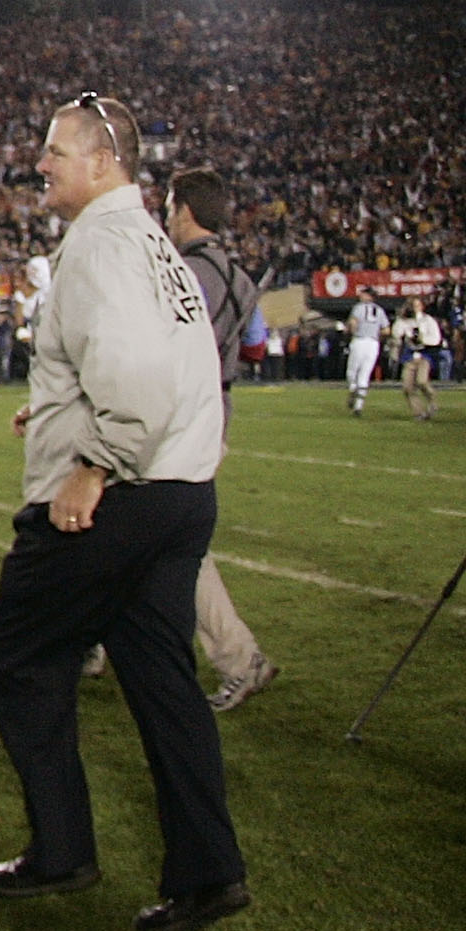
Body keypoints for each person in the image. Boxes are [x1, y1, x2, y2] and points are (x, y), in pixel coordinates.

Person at [0, 94, 247, 931]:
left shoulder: (98, 245)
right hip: (181, 494)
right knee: (165, 685)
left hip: (123, 494)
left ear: (102, 161)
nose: (42, 165)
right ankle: (208, 875)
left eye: (56, 151)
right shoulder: (153, 244)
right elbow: (163, 359)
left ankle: (61, 850)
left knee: (24, 663)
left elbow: (134, 375)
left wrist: (92, 464)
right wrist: (60, 414)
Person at [163, 170, 276, 713]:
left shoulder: (182, 271)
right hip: (218, 410)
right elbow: (256, 350)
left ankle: (240, 658)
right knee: (158, 535)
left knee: (171, 538)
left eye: (167, 204)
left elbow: (160, 347)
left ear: (184, 209)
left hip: (180, 414)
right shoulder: (240, 277)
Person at [393, 299, 441, 421]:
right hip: (409, 356)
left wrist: (423, 339)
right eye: (413, 306)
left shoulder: (428, 320)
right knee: (407, 387)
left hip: (424, 355)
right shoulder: (405, 321)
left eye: (417, 305)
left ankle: (432, 400)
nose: (415, 308)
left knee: (422, 381)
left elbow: (436, 339)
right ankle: (418, 412)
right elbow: (396, 333)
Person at [344, 291, 387, 415]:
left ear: (369, 296)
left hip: (360, 340)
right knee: (365, 374)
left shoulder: (358, 308)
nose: (360, 296)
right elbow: (386, 330)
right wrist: (374, 333)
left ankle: (353, 389)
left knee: (352, 371)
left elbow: (353, 323)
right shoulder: (380, 310)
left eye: (363, 294)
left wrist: (350, 331)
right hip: (373, 343)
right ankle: (358, 406)